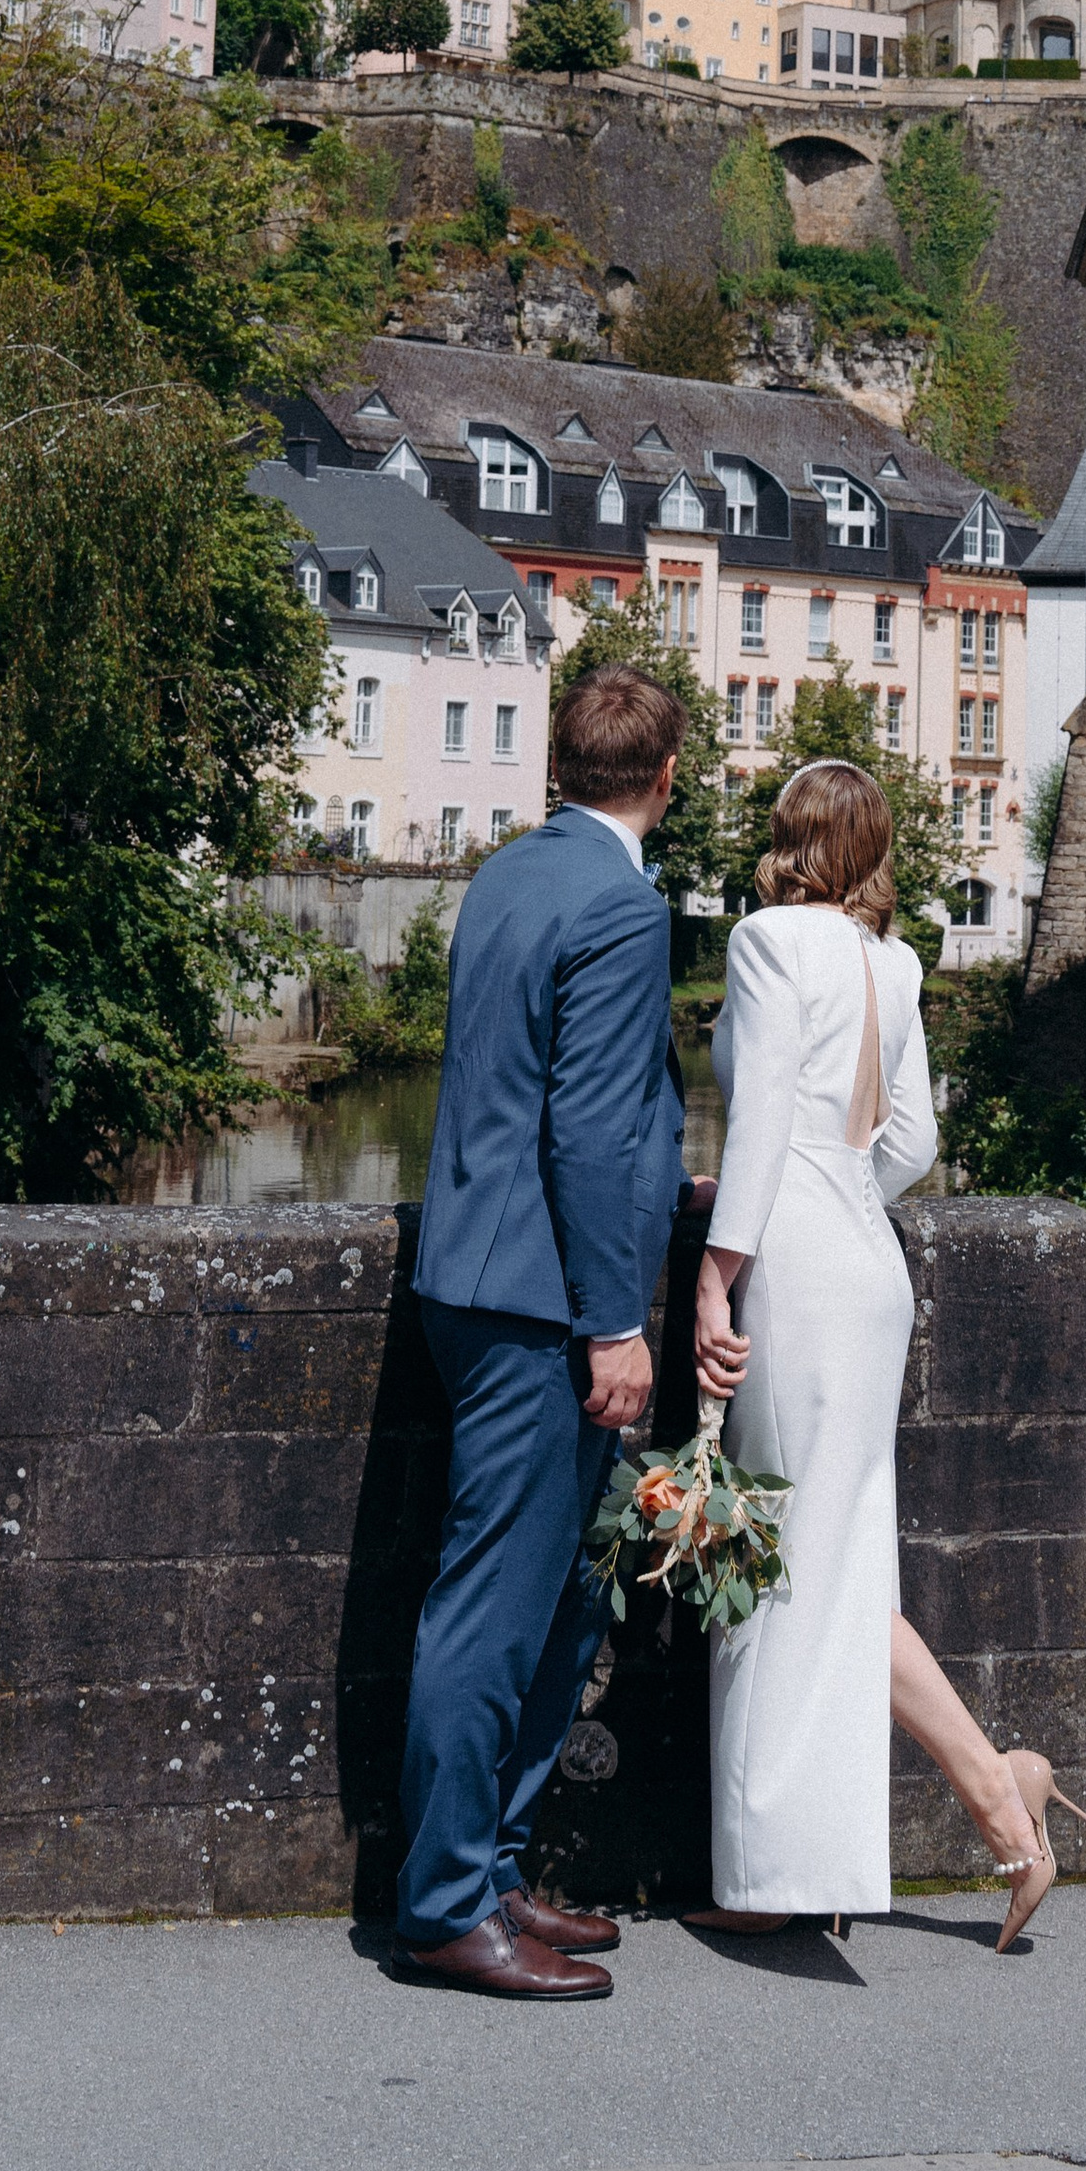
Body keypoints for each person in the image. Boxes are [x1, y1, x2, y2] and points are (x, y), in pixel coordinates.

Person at [693, 759, 1085, 1949]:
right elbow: (909, 1139)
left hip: (799, 1277)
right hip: (868, 1271)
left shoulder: (768, 942)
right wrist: (830, 1181)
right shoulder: (895, 964)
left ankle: (920, 1826)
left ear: (789, 840)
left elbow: (758, 1117)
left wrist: (719, 1269)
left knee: (782, 1559)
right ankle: (989, 1793)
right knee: (831, 1555)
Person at [391, 662, 691, 2001]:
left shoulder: (506, 877)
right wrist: (614, 1326)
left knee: (557, 1599)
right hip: (540, 1302)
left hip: (475, 1276)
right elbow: (586, 1132)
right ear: (668, 778)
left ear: (558, 769)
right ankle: (447, 1903)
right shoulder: (623, 909)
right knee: (494, 1609)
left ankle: (496, 1869)